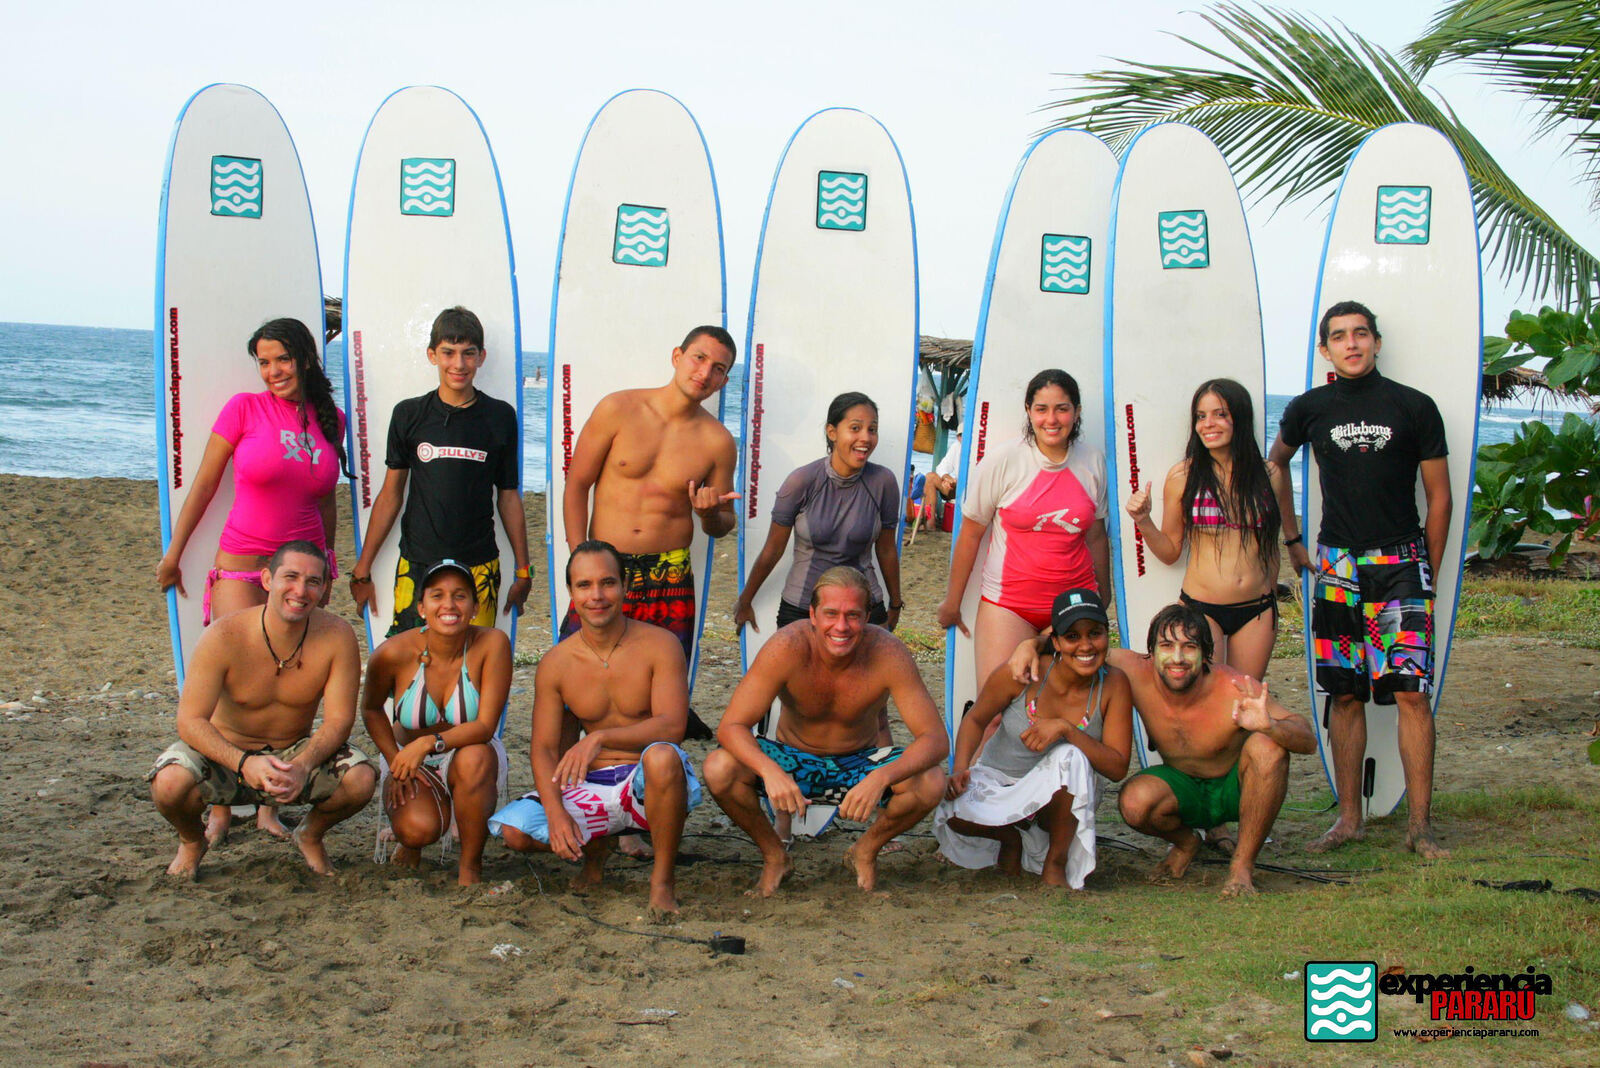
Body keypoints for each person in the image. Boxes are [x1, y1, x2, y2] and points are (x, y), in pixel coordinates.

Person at [1267, 300, 1452, 859]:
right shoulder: (1309, 408)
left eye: (1361, 334)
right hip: (1337, 567)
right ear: (1325, 349)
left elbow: (1440, 497)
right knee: (1344, 694)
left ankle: (1420, 828)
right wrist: (1293, 539)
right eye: (1340, 336)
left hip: (1401, 562)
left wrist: (1425, 571)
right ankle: (1350, 820)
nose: (1352, 343)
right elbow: (1276, 464)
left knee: (1411, 694)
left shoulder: (1414, 406)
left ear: (1376, 342)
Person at [156, 316, 351, 845]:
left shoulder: (331, 419)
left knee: (289, 681)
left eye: (282, 359)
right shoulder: (243, 408)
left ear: (305, 359)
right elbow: (204, 483)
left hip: (302, 567)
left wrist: (328, 564)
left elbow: (326, 499)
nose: (272, 371)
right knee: (237, 684)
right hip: (243, 564)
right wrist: (175, 553)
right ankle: (222, 806)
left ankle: (269, 805)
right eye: (263, 362)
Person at [1010, 602, 1315, 897]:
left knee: (1268, 747)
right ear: (1151, 652)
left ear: (1206, 654)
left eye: (1189, 647)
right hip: (1183, 788)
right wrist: (1031, 644)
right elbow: (1085, 647)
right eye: (1167, 646)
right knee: (1135, 802)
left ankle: (1242, 867)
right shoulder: (1133, 670)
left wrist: (1270, 726)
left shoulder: (1232, 686)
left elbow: (1307, 739)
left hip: (1236, 788)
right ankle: (1186, 842)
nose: (1177, 658)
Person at [704, 567, 948, 896]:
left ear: (867, 618)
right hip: (793, 760)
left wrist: (881, 777)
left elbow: (935, 740)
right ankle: (775, 855)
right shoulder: (787, 646)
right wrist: (770, 770)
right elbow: (731, 726)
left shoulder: (888, 653)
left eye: (853, 615)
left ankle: (865, 850)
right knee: (719, 768)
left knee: (931, 781)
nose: (841, 626)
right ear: (813, 615)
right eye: (831, 614)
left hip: (860, 763)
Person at [490, 541, 699, 916]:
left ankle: (662, 881)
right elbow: (543, 748)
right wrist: (556, 814)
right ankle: (595, 854)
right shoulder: (556, 663)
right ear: (571, 592)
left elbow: (672, 726)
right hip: (592, 785)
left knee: (663, 757)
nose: (597, 596)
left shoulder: (660, 644)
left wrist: (600, 737)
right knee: (515, 832)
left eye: (607, 583)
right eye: (584, 585)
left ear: (625, 586)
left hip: (648, 783)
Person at [147, 541, 375, 879]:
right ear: (267, 579)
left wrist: (303, 765)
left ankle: (310, 834)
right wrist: (243, 763)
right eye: (290, 577)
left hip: (293, 755)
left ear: (325, 588)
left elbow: (340, 720)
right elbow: (190, 721)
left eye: (313, 581)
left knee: (361, 779)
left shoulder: (337, 636)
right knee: (168, 783)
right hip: (227, 755)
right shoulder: (224, 635)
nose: (301, 590)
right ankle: (192, 840)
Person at [560, 325, 740, 740]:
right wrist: (580, 557)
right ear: (677, 356)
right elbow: (577, 485)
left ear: (724, 380)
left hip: (669, 574)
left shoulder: (717, 442)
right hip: (607, 564)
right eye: (699, 358)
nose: (705, 373)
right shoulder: (618, 408)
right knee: (575, 677)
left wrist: (709, 514)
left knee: (659, 686)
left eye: (718, 368)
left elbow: (723, 524)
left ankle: (649, 770)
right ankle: (564, 769)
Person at [349, 306, 531, 636]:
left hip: (479, 565)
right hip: (417, 563)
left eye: (468, 353)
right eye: (448, 352)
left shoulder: (500, 417)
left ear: (481, 357)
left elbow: (508, 496)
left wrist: (523, 571)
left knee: (474, 660)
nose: (458, 364)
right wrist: (362, 569)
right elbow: (390, 495)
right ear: (432, 355)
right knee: (411, 660)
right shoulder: (408, 414)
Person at [934, 589, 1132, 889]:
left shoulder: (1114, 683)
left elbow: (1117, 768)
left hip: (1058, 805)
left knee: (1070, 757)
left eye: (1095, 633)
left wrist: (1066, 729)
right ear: (1056, 642)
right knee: (948, 803)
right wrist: (960, 768)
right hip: (1002, 784)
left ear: (1107, 635)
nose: (1086, 646)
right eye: (1072, 637)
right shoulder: (1024, 671)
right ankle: (1009, 837)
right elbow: (975, 719)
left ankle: (1056, 862)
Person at [938, 369, 1110, 692]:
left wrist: (1105, 593)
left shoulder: (1093, 462)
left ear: (1077, 412)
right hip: (1009, 605)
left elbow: (1097, 536)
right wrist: (953, 602)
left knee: (1067, 707)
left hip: (1074, 605)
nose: (1051, 419)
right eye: (1041, 409)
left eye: (1062, 409)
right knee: (996, 708)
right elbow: (971, 534)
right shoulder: (1003, 461)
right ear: (1028, 411)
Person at [1125, 378, 1294, 682]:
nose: (1208, 424)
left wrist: (1270, 600)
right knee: (1203, 694)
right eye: (1201, 416)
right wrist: (1143, 521)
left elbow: (1270, 548)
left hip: (1257, 611)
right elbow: (1170, 552)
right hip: (1201, 608)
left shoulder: (1269, 474)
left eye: (1220, 414)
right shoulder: (1183, 476)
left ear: (1239, 418)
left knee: (1244, 697)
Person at [360, 560, 511, 885]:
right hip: (407, 757)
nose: (449, 605)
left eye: (460, 596)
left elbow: (485, 726)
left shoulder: (493, 644)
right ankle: (411, 843)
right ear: (421, 607)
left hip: (469, 753)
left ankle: (470, 866)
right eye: (437, 595)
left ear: (474, 608)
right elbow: (371, 709)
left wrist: (428, 743)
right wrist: (396, 760)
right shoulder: (393, 653)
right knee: (418, 830)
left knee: (475, 756)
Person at [734, 391, 903, 634]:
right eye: (855, 428)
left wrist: (895, 603)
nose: (866, 437)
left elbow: (886, 549)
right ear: (832, 432)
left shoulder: (883, 482)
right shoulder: (801, 481)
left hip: (863, 608)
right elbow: (773, 549)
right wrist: (746, 599)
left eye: (872, 429)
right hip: (803, 608)